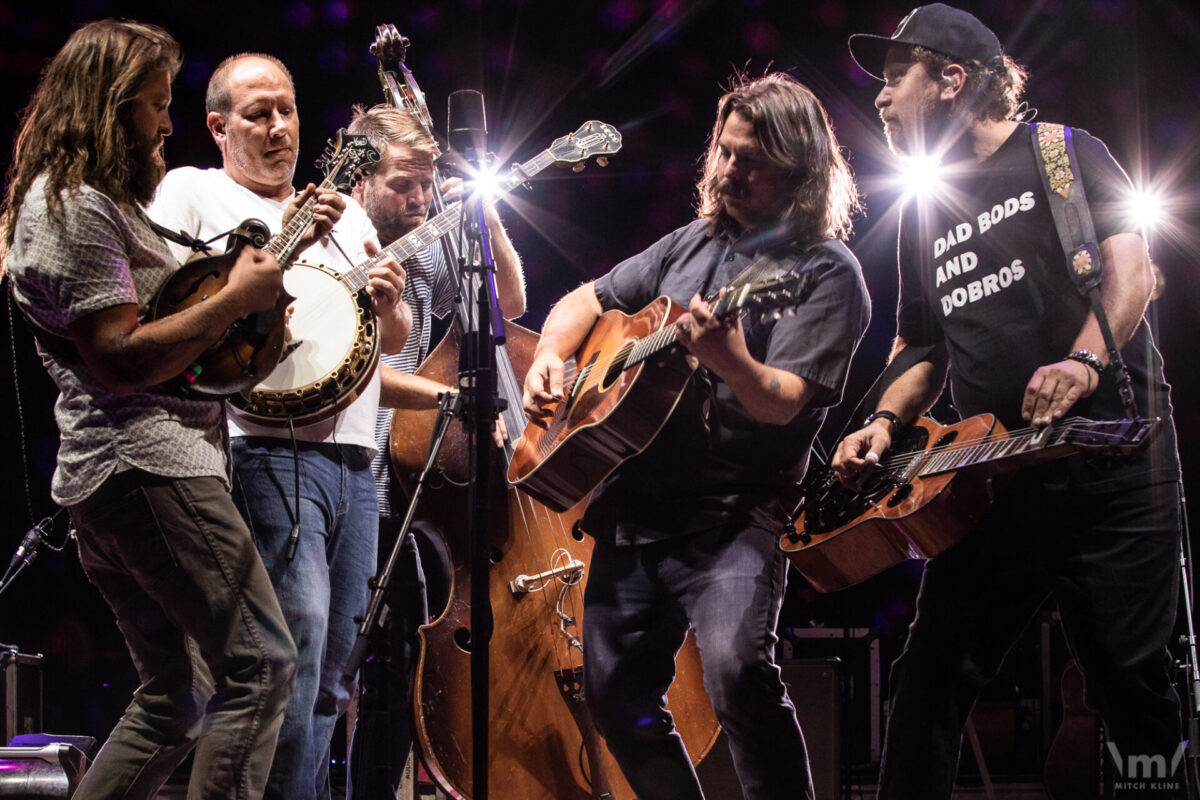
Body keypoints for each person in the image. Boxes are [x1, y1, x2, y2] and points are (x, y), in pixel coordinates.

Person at [833, 5, 1184, 797]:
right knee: (927, 684)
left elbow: (1135, 269)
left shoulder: (1062, 153)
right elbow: (920, 345)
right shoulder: (924, 208)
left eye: (896, 78)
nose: (881, 100)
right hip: (994, 481)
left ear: (952, 79)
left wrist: (1083, 361)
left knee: (1133, 688)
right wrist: (882, 422)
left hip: (1113, 471)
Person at [522, 72, 870, 800]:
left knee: (739, 677)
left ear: (802, 172)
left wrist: (731, 360)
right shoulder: (693, 240)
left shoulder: (827, 274)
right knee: (615, 695)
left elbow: (785, 404)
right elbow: (587, 300)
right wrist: (554, 356)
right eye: (724, 152)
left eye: (751, 160)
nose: (729, 171)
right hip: (639, 508)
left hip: (737, 515)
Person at [2, 21, 298, 800]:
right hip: (147, 466)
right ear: (107, 108)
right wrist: (233, 298)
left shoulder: (100, 206)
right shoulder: (71, 207)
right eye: (153, 105)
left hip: (133, 472)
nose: (166, 123)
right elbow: (119, 357)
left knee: (184, 694)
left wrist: (249, 326)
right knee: (261, 663)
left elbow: (170, 346)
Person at [148, 54, 410, 800]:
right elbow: (171, 303)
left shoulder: (349, 213)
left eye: (288, 110)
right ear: (218, 126)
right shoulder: (194, 192)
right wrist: (281, 244)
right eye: (259, 113)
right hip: (262, 451)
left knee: (333, 666)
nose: (278, 128)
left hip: (357, 460)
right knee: (288, 647)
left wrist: (389, 301)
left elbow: (390, 339)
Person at [341, 103, 525, 798]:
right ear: (361, 179)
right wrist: (450, 402)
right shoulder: (342, 250)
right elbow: (353, 376)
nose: (419, 198)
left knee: (394, 674)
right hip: (343, 476)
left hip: (394, 489)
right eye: (402, 184)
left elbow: (505, 300)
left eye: (427, 183)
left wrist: (486, 218)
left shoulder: (422, 243)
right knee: (333, 671)